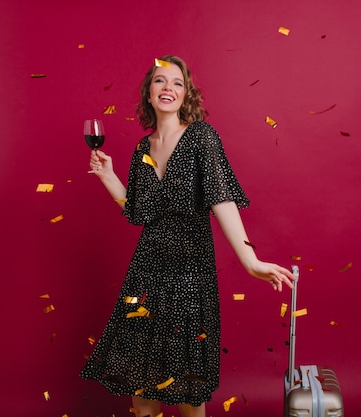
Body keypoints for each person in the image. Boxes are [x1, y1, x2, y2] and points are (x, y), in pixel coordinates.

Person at [80, 55, 296, 417]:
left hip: (192, 276)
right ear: (149, 94)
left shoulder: (201, 138)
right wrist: (108, 177)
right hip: (146, 273)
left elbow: (221, 199)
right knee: (140, 382)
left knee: (187, 391)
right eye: (161, 81)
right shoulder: (140, 150)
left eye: (177, 83)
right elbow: (137, 213)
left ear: (186, 95)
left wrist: (250, 260)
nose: (169, 88)